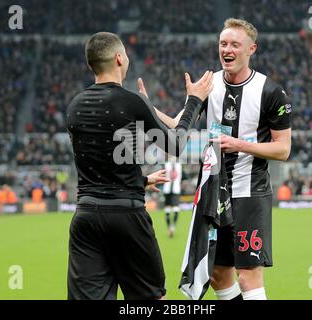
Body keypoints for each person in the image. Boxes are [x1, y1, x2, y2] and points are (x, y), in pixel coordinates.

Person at [140, 18, 292, 300]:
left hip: (250, 193)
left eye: (235, 44)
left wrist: (240, 145)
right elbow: (176, 126)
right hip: (213, 193)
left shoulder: (270, 92)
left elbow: (283, 149)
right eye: (223, 43)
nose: (227, 49)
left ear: (251, 49)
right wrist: (147, 107)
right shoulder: (208, 86)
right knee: (218, 275)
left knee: (248, 277)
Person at [66, 32, 213, 300]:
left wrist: (142, 180)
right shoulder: (130, 101)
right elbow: (176, 145)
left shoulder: (75, 106)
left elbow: (100, 162)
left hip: (86, 217)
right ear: (119, 58)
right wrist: (195, 100)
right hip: (126, 217)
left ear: (91, 64)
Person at [163, 157, 182, 237]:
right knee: (174, 209)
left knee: (169, 209)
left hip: (169, 189)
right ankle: (172, 227)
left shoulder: (166, 164)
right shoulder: (178, 165)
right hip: (173, 190)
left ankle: (170, 227)